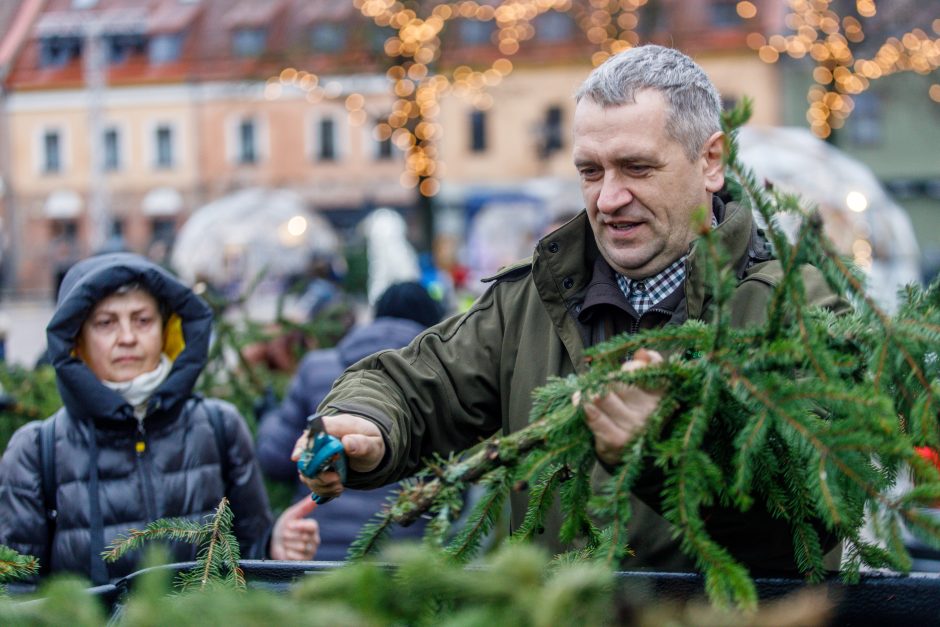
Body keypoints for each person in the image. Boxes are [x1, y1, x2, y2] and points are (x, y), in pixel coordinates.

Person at [292, 45, 848, 574]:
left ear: (710, 161)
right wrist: (366, 424)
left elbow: (820, 504)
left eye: (637, 168)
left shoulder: (796, 309)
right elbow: (418, 383)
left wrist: (667, 451)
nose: (608, 198)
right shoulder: (531, 299)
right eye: (590, 171)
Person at [0, 253, 320, 584]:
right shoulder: (37, 450)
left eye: (142, 320)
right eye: (106, 323)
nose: (127, 337)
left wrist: (274, 545)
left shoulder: (219, 426)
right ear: (77, 338)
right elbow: (19, 593)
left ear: (167, 329)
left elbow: (248, 559)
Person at [256, 281, 444, 560]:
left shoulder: (317, 367)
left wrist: (268, 416)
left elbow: (276, 457)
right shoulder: (443, 380)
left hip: (315, 546)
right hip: (402, 554)